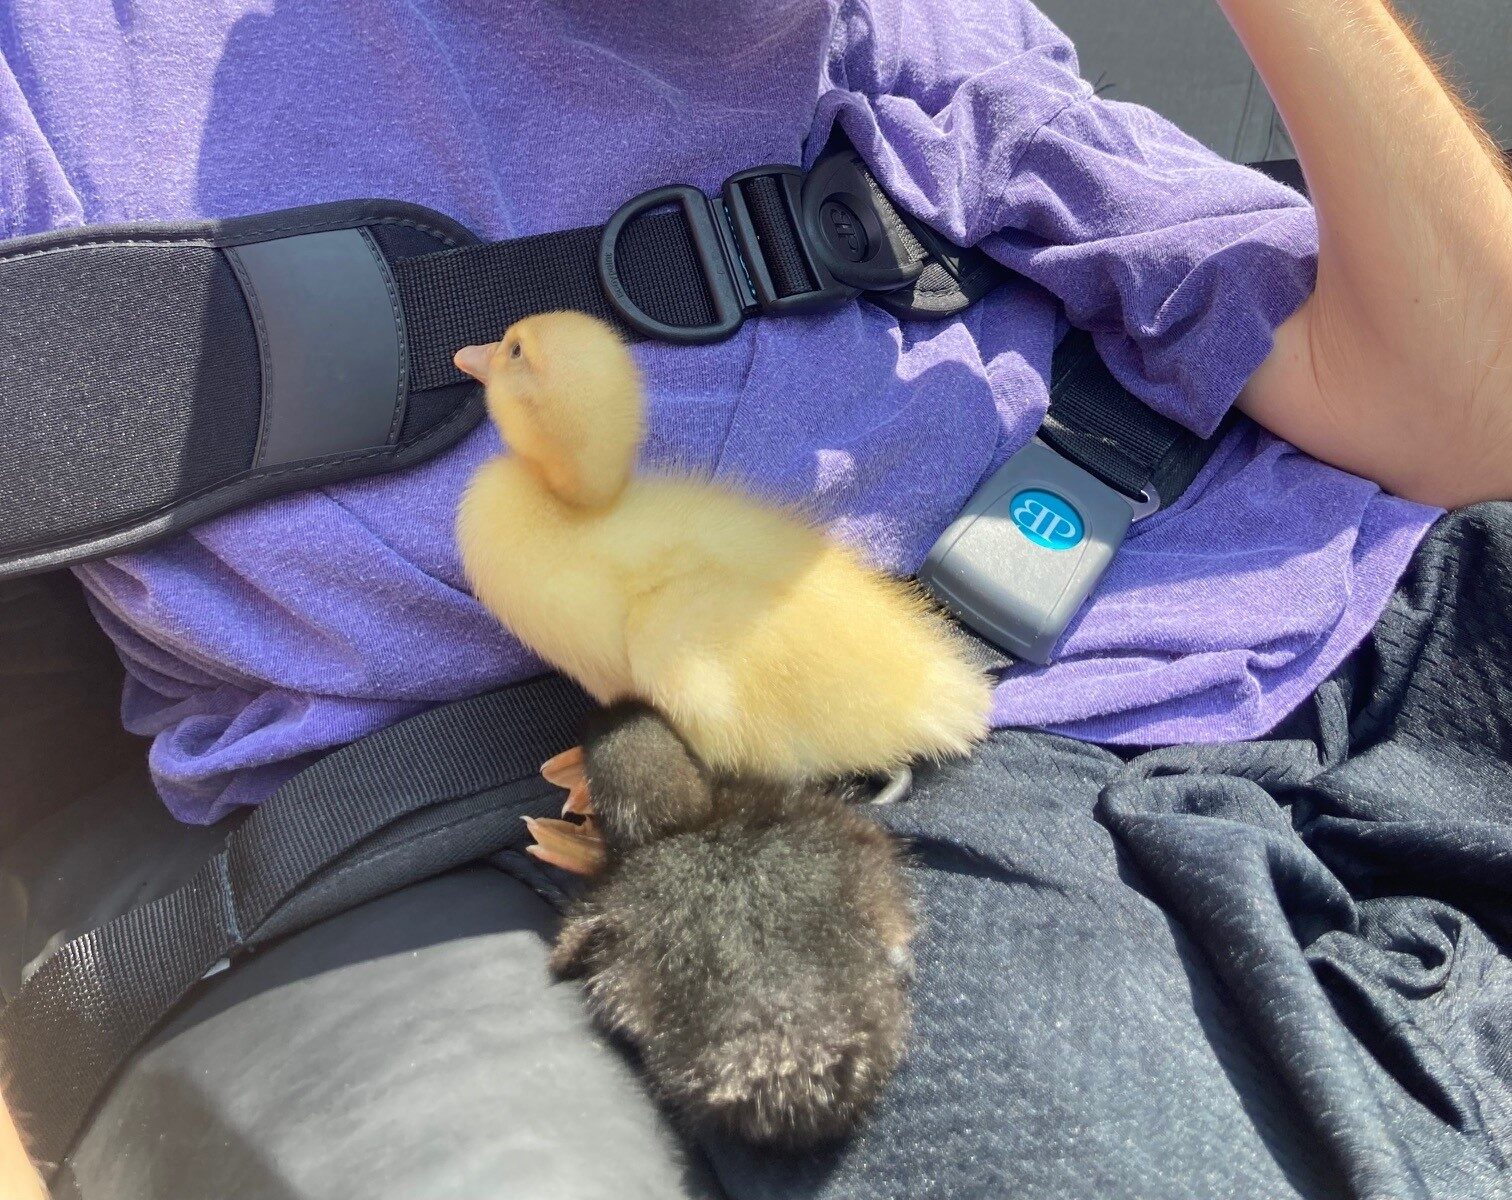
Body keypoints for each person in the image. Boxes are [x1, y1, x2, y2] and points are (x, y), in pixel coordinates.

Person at [1, 0, 1509, 1195]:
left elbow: (1468, 408)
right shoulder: (74, 65)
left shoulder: (899, 25)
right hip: (896, 791)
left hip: (1328, 596)